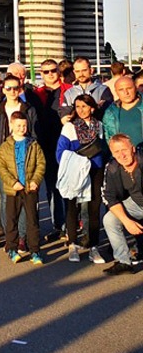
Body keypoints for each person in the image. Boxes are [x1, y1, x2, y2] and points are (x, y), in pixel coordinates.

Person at [0, 74, 38, 242]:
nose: (13, 91)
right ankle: (10, 234)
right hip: (3, 161)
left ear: (20, 89)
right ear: (3, 89)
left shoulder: (28, 109)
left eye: (16, 88)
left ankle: (21, 236)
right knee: (5, 199)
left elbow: (34, 136)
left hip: (23, 159)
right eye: (9, 88)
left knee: (22, 198)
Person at [56, 94, 108, 264]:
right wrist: (75, 163)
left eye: (84, 106)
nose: (81, 110)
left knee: (94, 208)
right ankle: (72, 243)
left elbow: (103, 149)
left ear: (92, 108)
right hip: (75, 171)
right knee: (72, 207)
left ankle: (93, 245)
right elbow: (60, 152)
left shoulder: (99, 126)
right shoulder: (69, 127)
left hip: (95, 171)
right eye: (77, 107)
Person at [0, 112, 45, 265]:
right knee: (11, 220)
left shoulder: (33, 145)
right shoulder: (5, 147)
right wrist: (12, 182)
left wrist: (35, 180)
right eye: (18, 125)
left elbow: (41, 164)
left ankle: (35, 251)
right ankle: (12, 248)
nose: (21, 128)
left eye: (24, 125)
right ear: (11, 125)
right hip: (13, 190)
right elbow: (1, 167)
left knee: (32, 220)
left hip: (30, 188)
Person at [33, 58, 71, 243]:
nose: (50, 74)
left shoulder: (69, 90)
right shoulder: (37, 94)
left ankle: (72, 225)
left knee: (70, 187)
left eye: (53, 70)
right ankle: (59, 225)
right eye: (45, 71)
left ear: (59, 71)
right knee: (52, 188)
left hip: (66, 146)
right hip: (45, 147)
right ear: (41, 74)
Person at [101, 134, 143, 276]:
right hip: (136, 203)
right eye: (117, 152)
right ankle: (124, 261)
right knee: (110, 219)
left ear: (133, 149)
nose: (122, 155)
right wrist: (127, 222)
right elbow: (109, 197)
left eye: (124, 150)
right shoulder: (112, 168)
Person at [103, 76, 143, 149]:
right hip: (124, 154)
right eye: (121, 90)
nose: (126, 93)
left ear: (136, 88)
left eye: (129, 88)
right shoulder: (110, 113)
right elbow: (109, 138)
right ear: (116, 92)